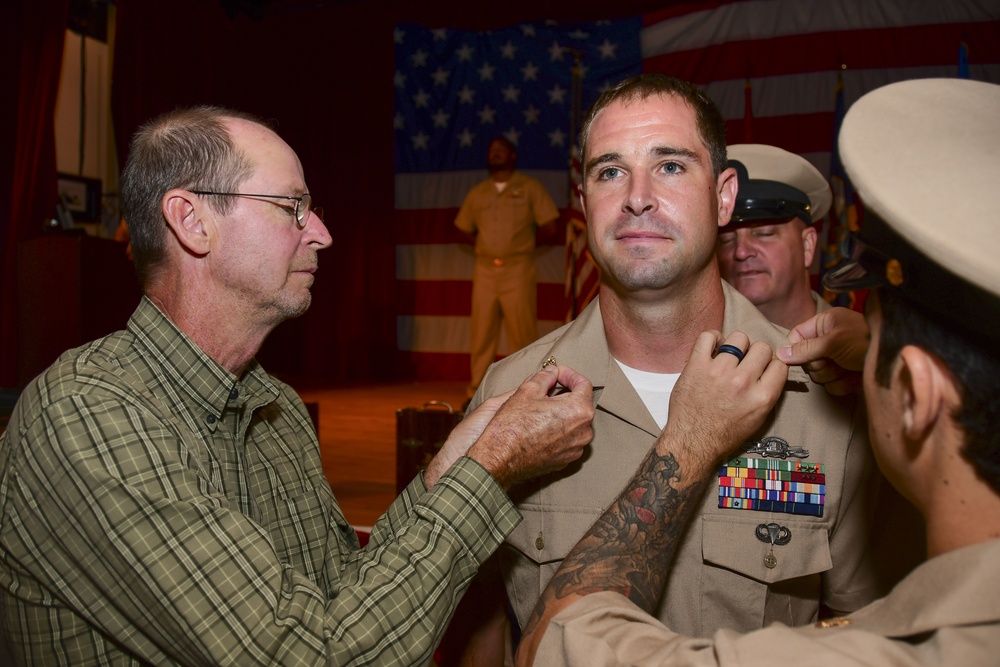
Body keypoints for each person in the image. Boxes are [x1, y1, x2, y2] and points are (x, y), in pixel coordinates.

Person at [0, 106, 596, 665]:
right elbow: (316, 654)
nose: (322, 233)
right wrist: (490, 470)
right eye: (292, 207)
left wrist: (447, 471)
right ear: (191, 221)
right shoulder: (85, 415)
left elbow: (344, 595)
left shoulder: (275, 408)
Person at [517, 76, 1000, 666]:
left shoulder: (824, 399)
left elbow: (864, 612)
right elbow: (482, 626)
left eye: (670, 166)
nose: (637, 197)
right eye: (610, 171)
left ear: (723, 197)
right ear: (584, 196)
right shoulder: (510, 396)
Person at [454, 137, 560, 402]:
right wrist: (484, 245)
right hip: (485, 269)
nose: (496, 154)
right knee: (481, 334)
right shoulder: (479, 192)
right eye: (492, 151)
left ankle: (524, 392)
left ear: (512, 155)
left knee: (522, 333)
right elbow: (461, 227)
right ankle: (475, 393)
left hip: (518, 268)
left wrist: (523, 246)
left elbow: (550, 226)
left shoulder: (529, 188)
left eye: (501, 150)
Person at [716, 143, 833, 329]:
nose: (741, 251)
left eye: (764, 234)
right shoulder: (694, 352)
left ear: (808, 245)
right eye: (726, 240)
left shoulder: (862, 350)